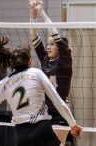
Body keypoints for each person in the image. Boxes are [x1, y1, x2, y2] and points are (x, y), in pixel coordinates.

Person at [29, 0, 73, 144]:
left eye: (52, 44)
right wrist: (33, 11)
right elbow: (34, 35)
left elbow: (56, 35)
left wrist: (42, 11)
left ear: (61, 48)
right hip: (44, 113)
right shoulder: (45, 59)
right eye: (48, 44)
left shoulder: (65, 62)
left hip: (60, 113)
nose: (48, 47)